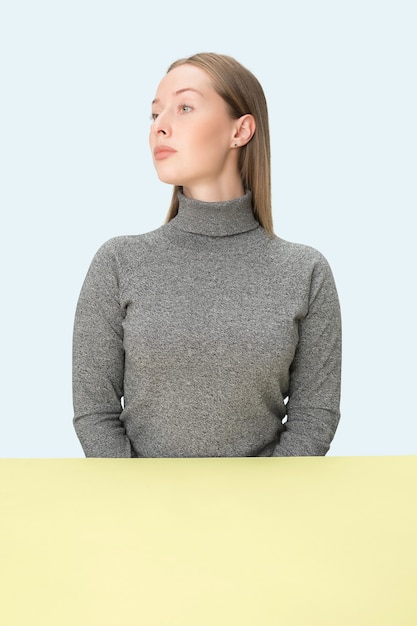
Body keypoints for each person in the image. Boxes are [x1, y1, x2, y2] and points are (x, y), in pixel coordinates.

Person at [72, 52, 342, 458]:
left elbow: (314, 417)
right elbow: (95, 412)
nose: (160, 126)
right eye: (154, 114)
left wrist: (265, 505)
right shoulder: (118, 263)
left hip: (265, 514)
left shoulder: (305, 272)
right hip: (141, 514)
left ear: (241, 130)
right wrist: (138, 502)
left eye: (184, 107)